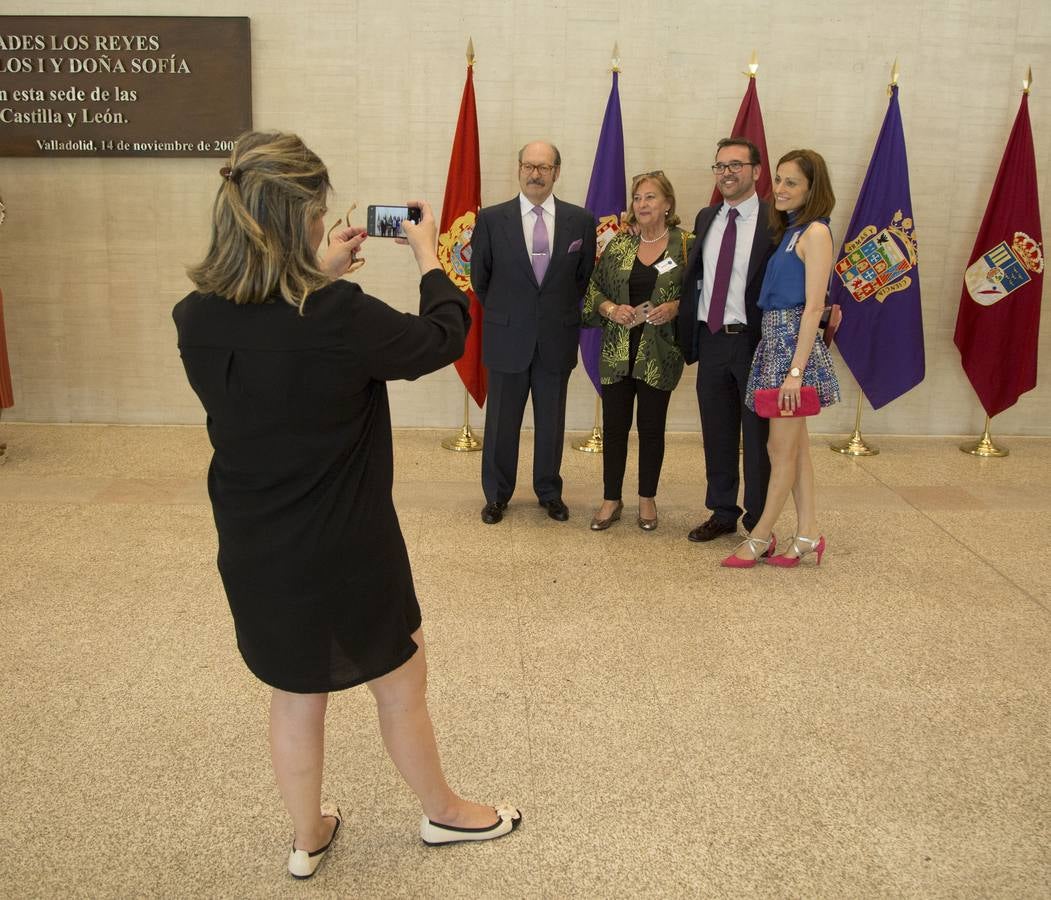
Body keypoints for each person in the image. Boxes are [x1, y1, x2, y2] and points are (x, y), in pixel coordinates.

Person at [173, 131, 520, 880]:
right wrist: (429, 254)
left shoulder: (195, 317)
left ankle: (307, 836)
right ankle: (447, 812)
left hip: (254, 543)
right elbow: (441, 338)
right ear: (299, 219)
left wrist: (315, 273)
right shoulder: (336, 315)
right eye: (322, 215)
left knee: (295, 691)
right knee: (400, 679)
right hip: (344, 544)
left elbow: (278, 345)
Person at [722, 148, 841, 567]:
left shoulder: (817, 234)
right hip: (774, 341)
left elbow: (813, 307)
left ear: (813, 188)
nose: (782, 188)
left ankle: (759, 535)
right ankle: (808, 532)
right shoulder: (791, 231)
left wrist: (795, 372)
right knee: (798, 450)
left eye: (792, 182)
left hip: (792, 347)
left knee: (780, 451)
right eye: (779, 179)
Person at [471, 140, 597, 524]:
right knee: (500, 426)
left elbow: (582, 279)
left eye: (544, 167)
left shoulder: (580, 221)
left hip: (555, 339)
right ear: (519, 169)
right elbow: (481, 280)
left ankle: (549, 492)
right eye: (529, 166)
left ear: (557, 172)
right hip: (507, 336)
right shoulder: (492, 219)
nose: (535, 173)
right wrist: (516, 312)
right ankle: (497, 495)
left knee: (551, 423)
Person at [582, 171, 694, 531]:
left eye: (650, 198)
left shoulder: (686, 244)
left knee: (651, 429)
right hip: (617, 353)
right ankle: (611, 499)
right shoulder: (620, 244)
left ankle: (647, 500)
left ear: (667, 204)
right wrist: (611, 309)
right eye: (637, 198)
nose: (642, 204)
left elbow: (701, 293)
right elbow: (592, 290)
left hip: (658, 356)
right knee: (614, 429)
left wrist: (676, 306)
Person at [677, 138, 774, 545]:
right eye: (719, 166)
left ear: (755, 171)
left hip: (754, 340)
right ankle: (721, 511)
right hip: (713, 337)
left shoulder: (776, 220)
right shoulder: (706, 216)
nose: (727, 173)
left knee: (756, 437)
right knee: (716, 431)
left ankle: (758, 519)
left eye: (736, 165)